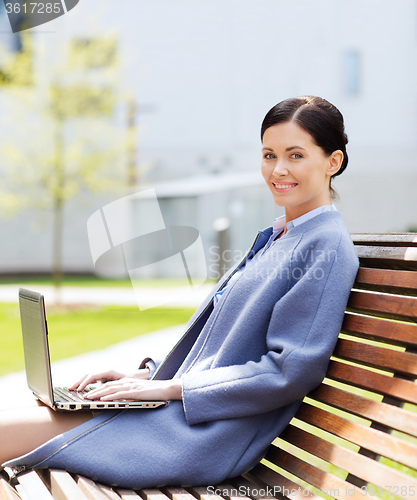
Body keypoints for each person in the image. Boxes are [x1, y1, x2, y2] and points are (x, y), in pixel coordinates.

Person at [1, 96, 359, 488]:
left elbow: (289, 371)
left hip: (197, 433)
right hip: (178, 412)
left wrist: (169, 388)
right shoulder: (281, 236)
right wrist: (146, 375)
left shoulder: (325, 245)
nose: (278, 169)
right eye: (269, 155)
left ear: (333, 162)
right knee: (22, 414)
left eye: (295, 155)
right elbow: (220, 347)